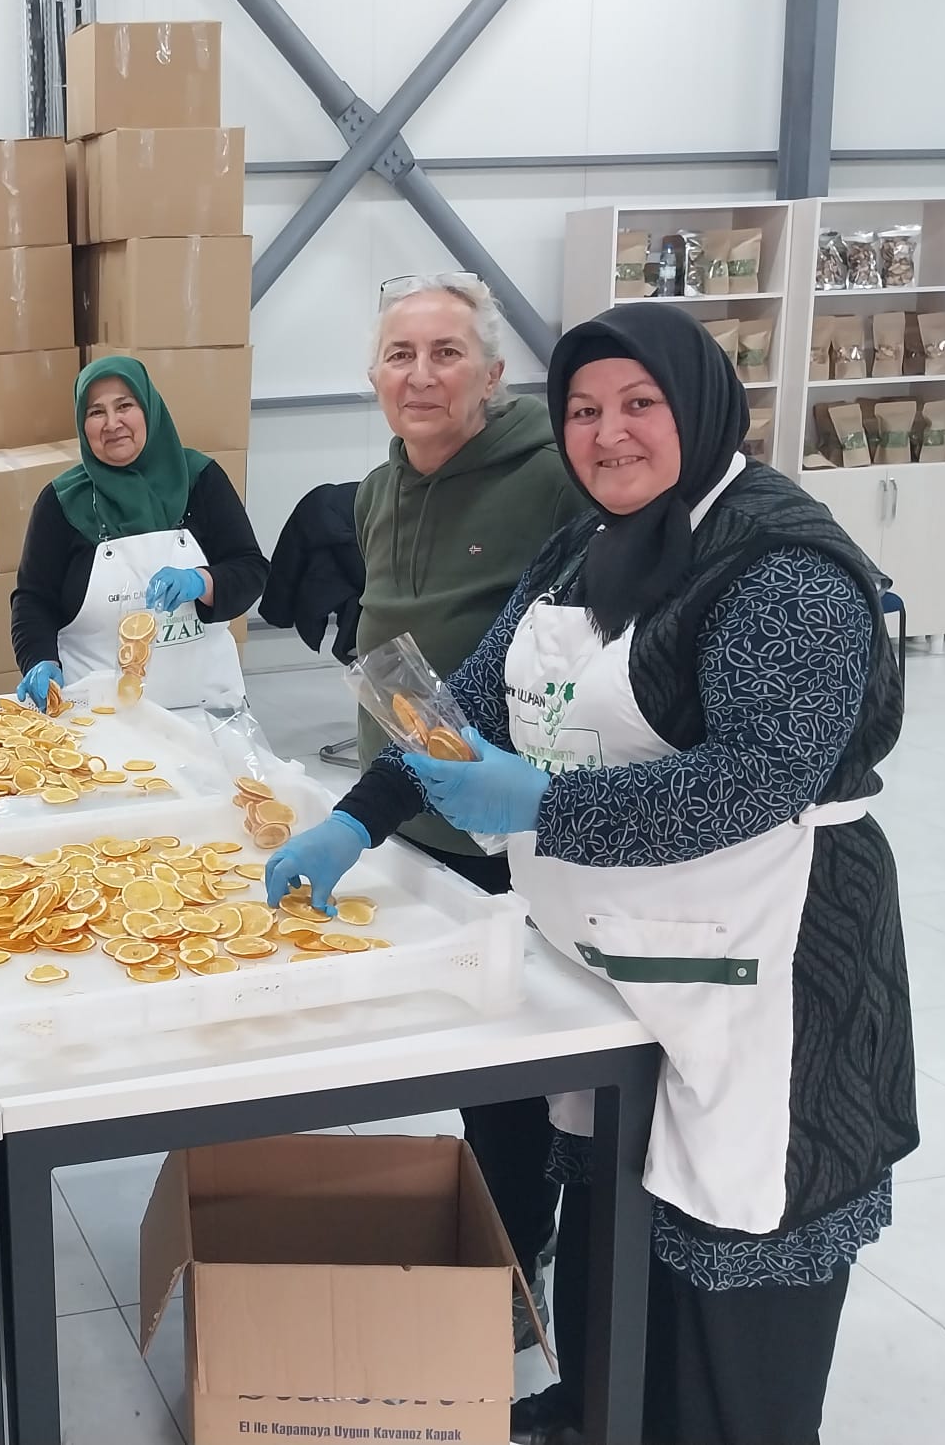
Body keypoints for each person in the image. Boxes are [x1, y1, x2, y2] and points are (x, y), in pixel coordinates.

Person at [265, 304, 916, 1445]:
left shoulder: (783, 565)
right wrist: (358, 821)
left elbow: (755, 780)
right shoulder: (585, 547)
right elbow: (469, 700)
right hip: (625, 962)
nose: (608, 435)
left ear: (699, 408)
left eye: (639, 405)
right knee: (620, 1229)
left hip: (772, 972)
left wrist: (545, 805)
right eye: (583, 411)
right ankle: (599, 1414)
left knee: (732, 1239)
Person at [355, 273, 584, 1340]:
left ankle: (522, 1269)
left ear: (492, 376)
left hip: (509, 827)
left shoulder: (551, 480)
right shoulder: (376, 490)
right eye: (400, 354)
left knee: (518, 1069)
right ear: (373, 376)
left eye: (446, 353)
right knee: (467, 1051)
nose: (421, 375)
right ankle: (504, 1233)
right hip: (409, 820)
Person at [10, 355, 265, 711]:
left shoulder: (201, 480)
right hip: (98, 714)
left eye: (124, 406)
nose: (112, 423)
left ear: (149, 409)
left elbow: (251, 570)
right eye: (96, 412)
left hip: (205, 708)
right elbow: (33, 600)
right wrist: (39, 659)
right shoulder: (61, 502)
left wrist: (200, 581)